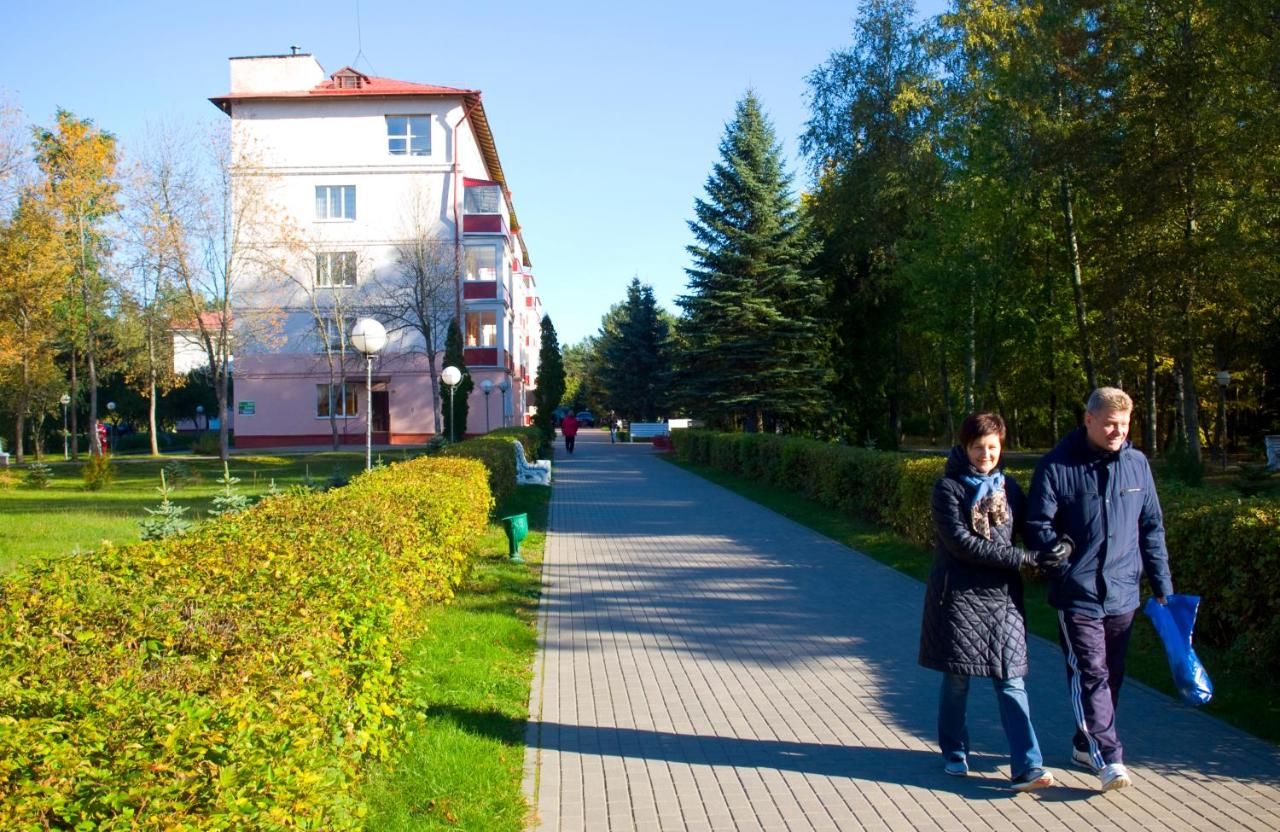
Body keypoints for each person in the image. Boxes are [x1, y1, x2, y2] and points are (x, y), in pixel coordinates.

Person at [1025, 387, 1174, 793]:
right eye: (1109, 423)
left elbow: (1151, 528)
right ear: (1088, 419)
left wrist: (1163, 586)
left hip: (1123, 592)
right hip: (1078, 592)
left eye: (1124, 425)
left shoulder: (1137, 464)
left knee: (1114, 676)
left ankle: (1082, 743)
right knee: (1090, 674)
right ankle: (1109, 758)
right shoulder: (1057, 466)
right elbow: (1037, 522)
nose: (1117, 432)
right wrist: (1056, 551)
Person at [919, 412, 1067, 792]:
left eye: (992, 447)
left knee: (1011, 680)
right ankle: (954, 750)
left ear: (1001, 448)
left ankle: (1028, 767)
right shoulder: (948, 489)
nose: (985, 454)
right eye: (977, 447)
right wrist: (1023, 559)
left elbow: (1032, 529)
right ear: (964, 447)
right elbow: (963, 544)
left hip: (1003, 600)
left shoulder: (1009, 488)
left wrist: (1057, 547)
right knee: (958, 678)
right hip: (959, 596)